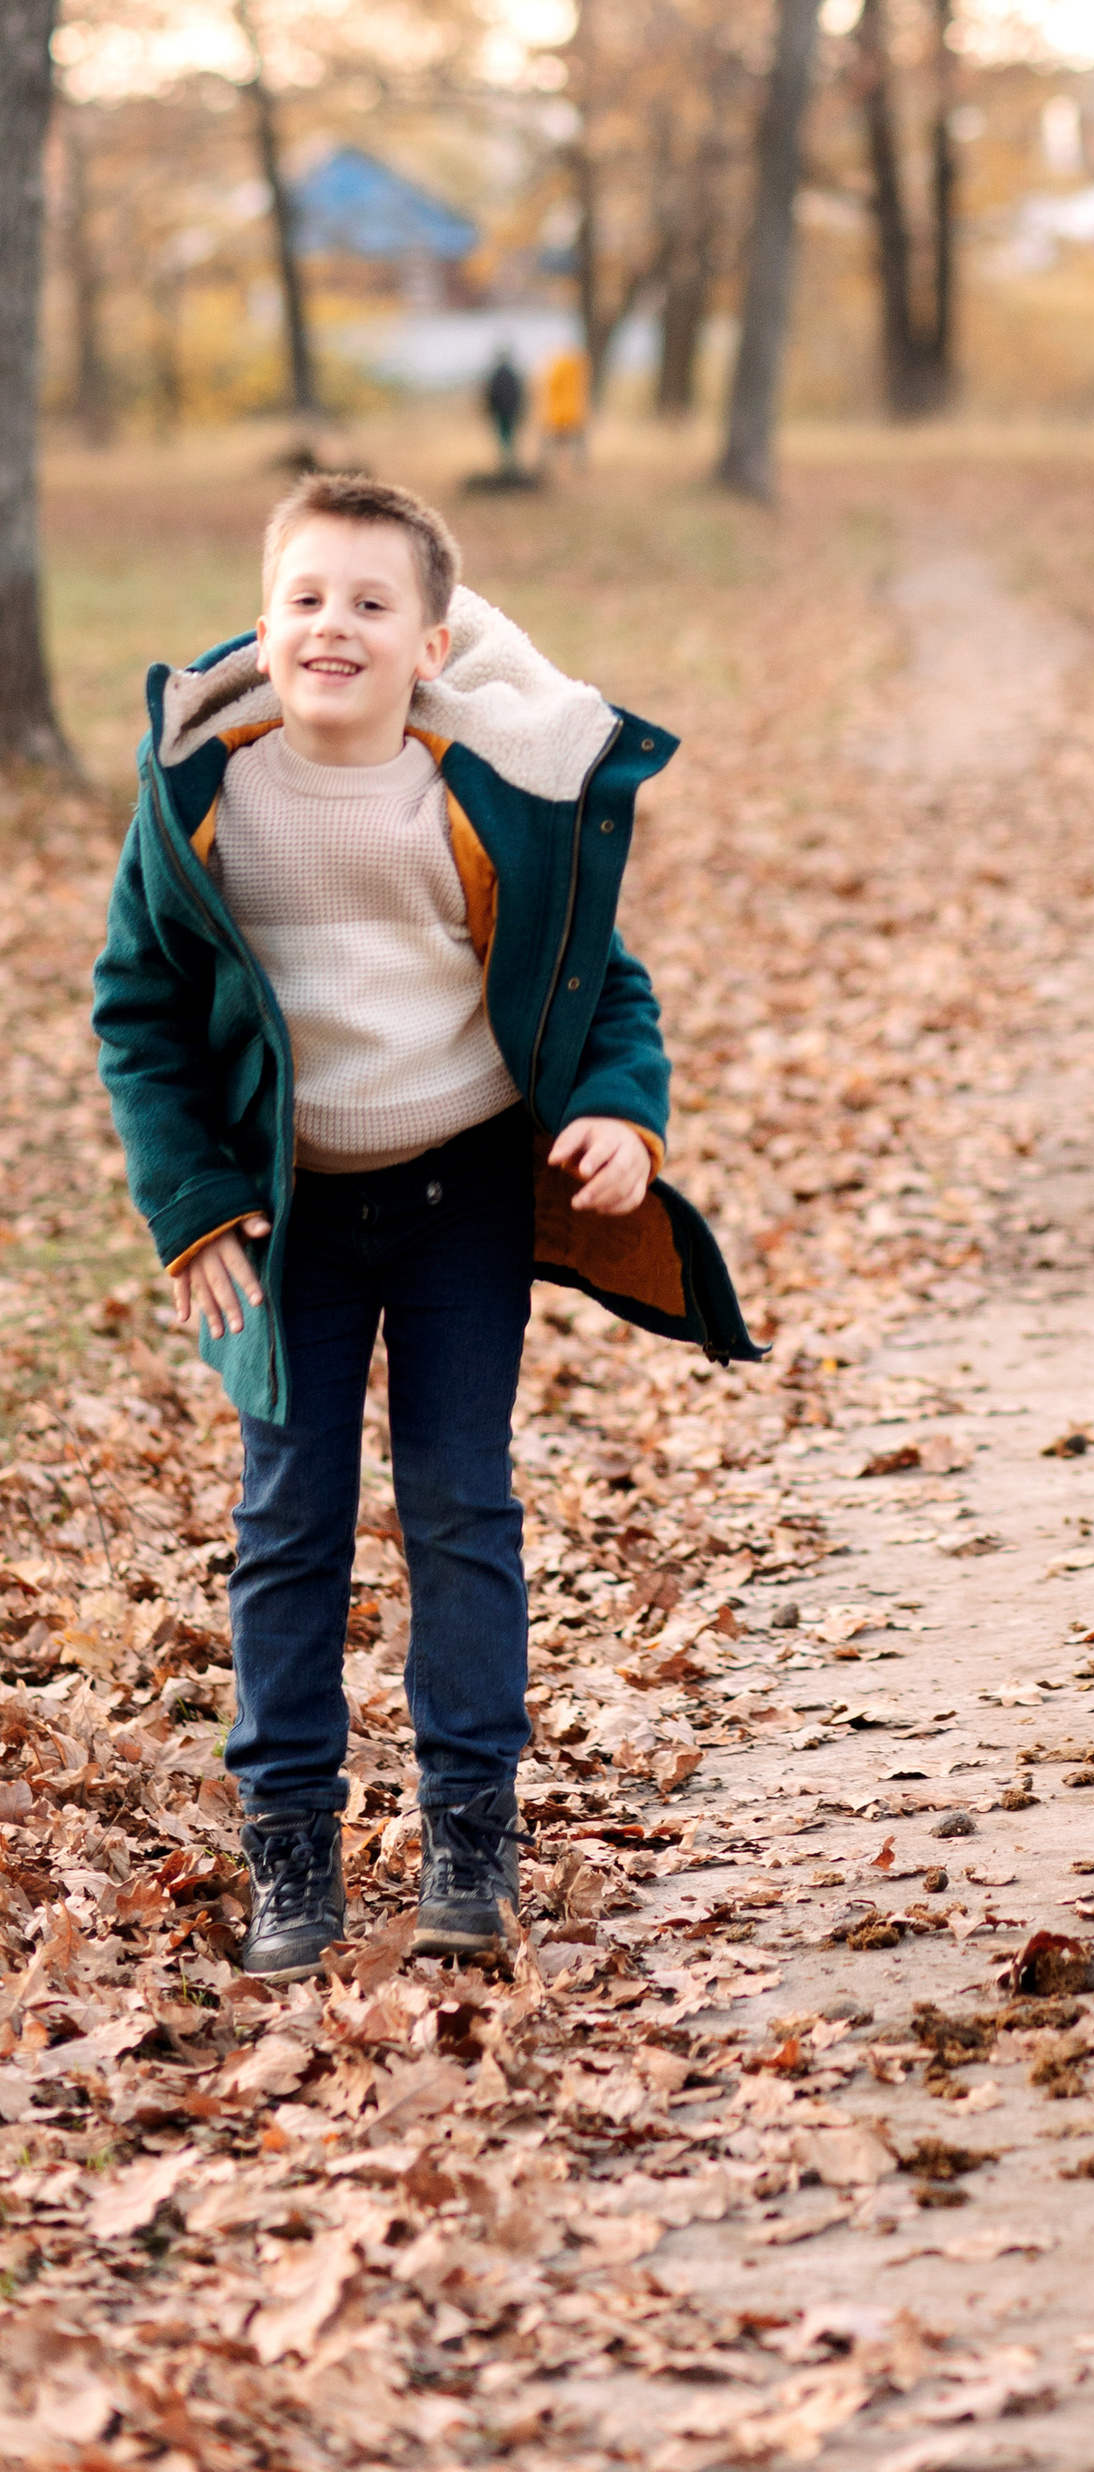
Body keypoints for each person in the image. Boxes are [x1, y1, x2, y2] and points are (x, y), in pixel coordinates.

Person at [92, 473, 756, 1975]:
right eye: (306, 599)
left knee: (462, 1507)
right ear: (261, 632)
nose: (335, 625)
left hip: (458, 1193)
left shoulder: (490, 802)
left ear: (434, 645)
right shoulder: (204, 803)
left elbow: (608, 983)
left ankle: (469, 1828)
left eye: (371, 604)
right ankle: (290, 1849)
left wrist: (621, 1112)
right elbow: (137, 1011)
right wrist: (192, 1204)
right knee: (286, 1523)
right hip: (289, 1219)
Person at [539, 342, 591, 473]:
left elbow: (551, 385)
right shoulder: (578, 366)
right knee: (577, 440)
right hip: (574, 410)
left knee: (551, 439)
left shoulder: (557, 366)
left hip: (558, 411)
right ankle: (579, 465)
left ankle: (545, 464)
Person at [482, 347, 527, 475]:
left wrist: (490, 408)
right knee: (508, 436)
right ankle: (508, 462)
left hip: (502, 410)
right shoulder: (510, 374)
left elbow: (491, 393)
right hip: (508, 410)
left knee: (505, 436)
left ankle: (507, 462)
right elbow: (518, 393)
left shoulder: (497, 374)